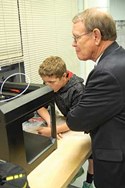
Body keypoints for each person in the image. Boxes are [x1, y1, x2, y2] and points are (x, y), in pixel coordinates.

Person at [66, 7, 125, 188]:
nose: (73, 44)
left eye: (76, 38)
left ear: (96, 36)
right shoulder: (119, 58)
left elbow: (76, 120)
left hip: (116, 165)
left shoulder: (106, 72)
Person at [37, 56, 94, 187]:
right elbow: (39, 105)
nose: (48, 86)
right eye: (45, 82)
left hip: (84, 125)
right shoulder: (50, 81)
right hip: (69, 122)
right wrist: (50, 122)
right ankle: (76, 171)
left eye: (51, 82)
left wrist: (53, 130)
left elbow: (77, 121)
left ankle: (89, 183)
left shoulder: (78, 90)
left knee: (91, 155)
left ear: (64, 76)